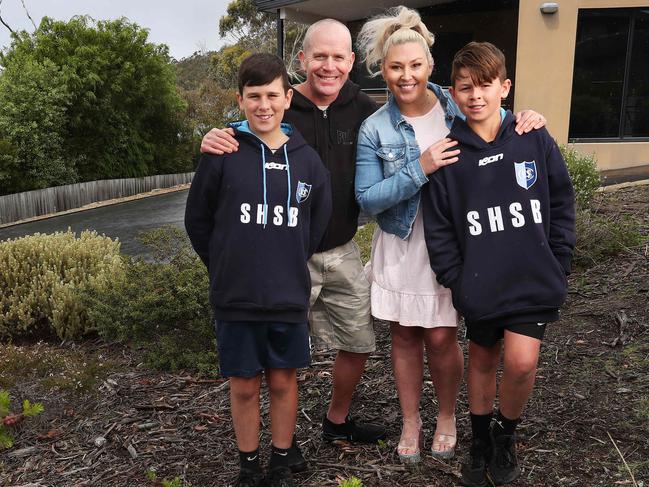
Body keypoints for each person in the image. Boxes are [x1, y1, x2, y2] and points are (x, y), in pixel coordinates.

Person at [354, 6, 549, 464]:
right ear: (383, 69)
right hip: (404, 241)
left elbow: (493, 114)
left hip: (461, 238)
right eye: (396, 67)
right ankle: (410, 420)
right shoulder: (374, 127)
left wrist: (528, 116)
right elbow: (367, 198)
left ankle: (446, 416)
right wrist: (419, 167)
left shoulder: (453, 100)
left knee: (442, 337)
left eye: (415, 66)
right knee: (404, 336)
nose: (406, 76)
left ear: (429, 67)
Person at [200, 19, 388, 460]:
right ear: (301, 60)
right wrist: (214, 134)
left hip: (340, 248)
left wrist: (512, 116)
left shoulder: (363, 107)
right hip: (283, 257)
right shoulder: (280, 103)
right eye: (319, 56)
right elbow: (248, 123)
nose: (328, 66)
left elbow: (419, 96)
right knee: (281, 364)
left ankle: (336, 422)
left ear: (351, 62)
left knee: (357, 342)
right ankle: (282, 444)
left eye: (338, 57)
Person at [421, 42, 575, 486]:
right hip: (480, 286)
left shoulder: (532, 137)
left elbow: (562, 201)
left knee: (522, 362)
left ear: (504, 87)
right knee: (484, 359)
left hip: (531, 279)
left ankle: (506, 436)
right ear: (452, 93)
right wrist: (458, 283)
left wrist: (558, 259)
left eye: (485, 85)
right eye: (465, 88)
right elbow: (441, 231)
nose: (476, 96)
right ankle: (481, 439)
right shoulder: (449, 156)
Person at [185, 53, 332, 487]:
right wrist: (227, 263)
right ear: (240, 99)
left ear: (288, 97)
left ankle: (282, 461)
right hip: (236, 297)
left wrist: (284, 259)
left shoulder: (307, 163)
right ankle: (249, 467)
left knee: (284, 381)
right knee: (245, 385)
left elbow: (316, 225)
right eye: (254, 96)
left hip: (286, 295)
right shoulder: (223, 152)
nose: (263, 105)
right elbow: (198, 221)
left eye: (272, 95)